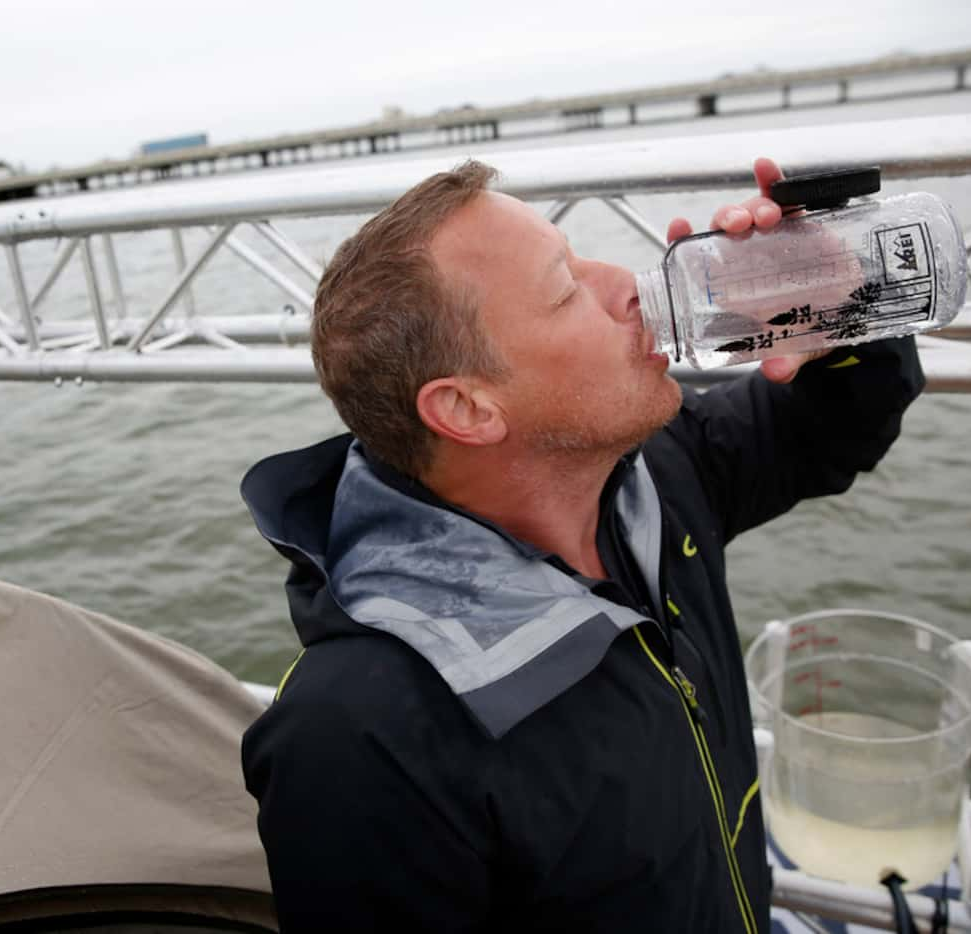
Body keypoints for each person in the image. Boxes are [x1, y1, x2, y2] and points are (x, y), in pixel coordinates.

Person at [239, 157, 925, 933]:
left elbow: (835, 427)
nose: (628, 283)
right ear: (467, 406)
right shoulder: (358, 739)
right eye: (566, 289)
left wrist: (837, 296)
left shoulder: (651, 476)